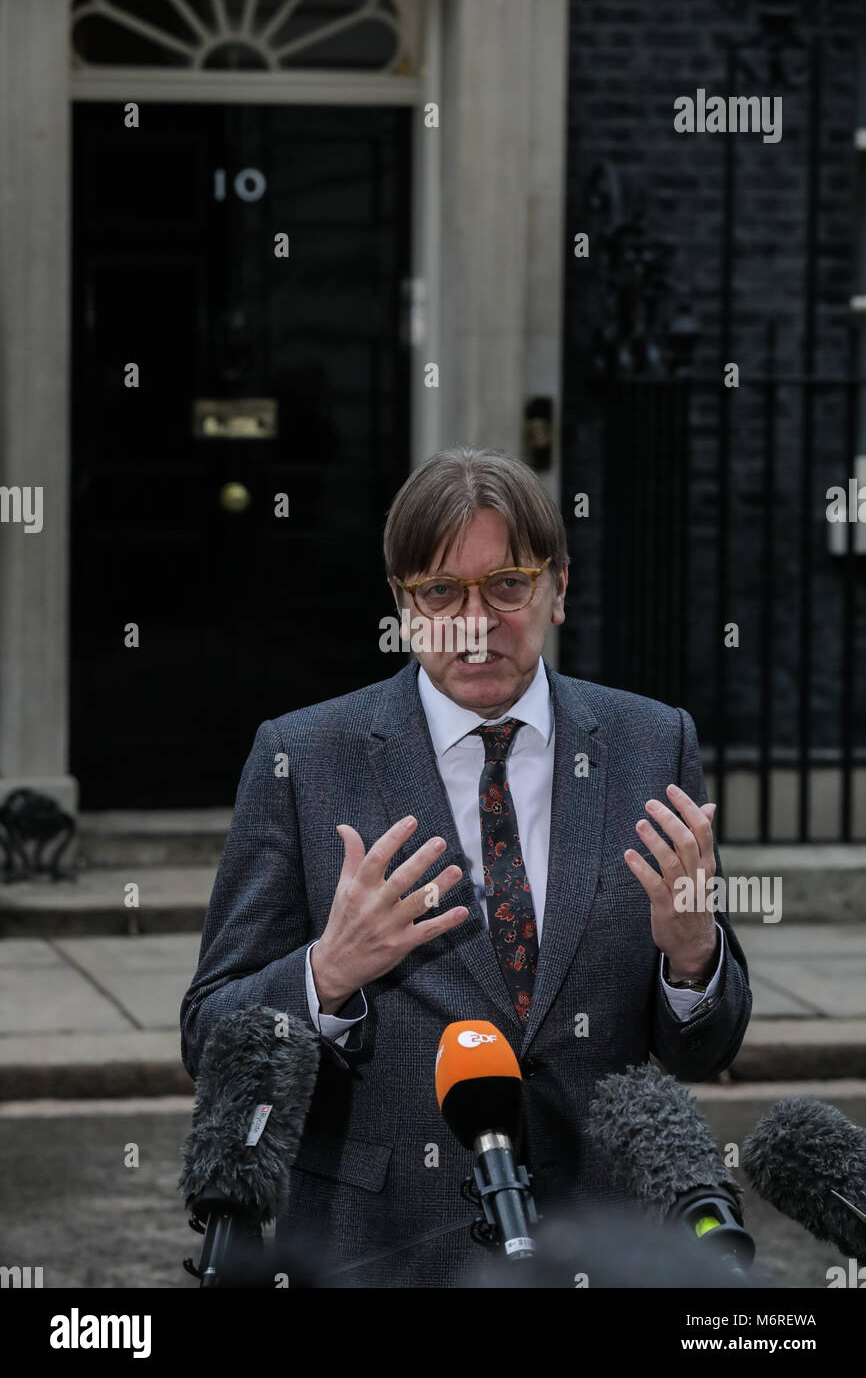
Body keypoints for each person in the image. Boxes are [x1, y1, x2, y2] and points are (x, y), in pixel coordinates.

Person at [180, 446, 751, 1287]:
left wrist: (693, 956)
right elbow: (210, 1034)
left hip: (604, 1249)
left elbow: (705, 1050)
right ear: (403, 607)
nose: (475, 621)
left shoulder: (649, 743)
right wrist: (325, 974)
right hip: (381, 1251)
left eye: (508, 584)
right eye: (440, 591)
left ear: (558, 587)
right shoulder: (303, 756)